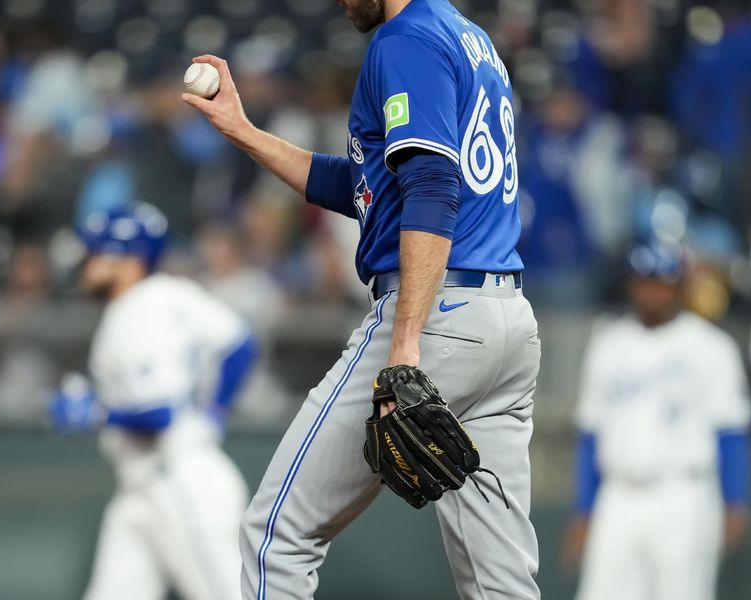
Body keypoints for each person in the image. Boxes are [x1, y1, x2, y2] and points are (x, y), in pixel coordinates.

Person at [182, 1, 541, 598]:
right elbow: (365, 189)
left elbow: (431, 184)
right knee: (500, 582)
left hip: (435, 321)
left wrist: (403, 346)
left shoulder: (405, 39)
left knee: (278, 534)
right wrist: (244, 134)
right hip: (506, 324)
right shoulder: (469, 39)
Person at [50, 202, 257, 600]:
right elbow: (240, 342)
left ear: (130, 260)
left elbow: (159, 414)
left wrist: (93, 411)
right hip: (144, 488)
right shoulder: (169, 295)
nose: (87, 263)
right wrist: (213, 413)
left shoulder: (138, 311)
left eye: (97, 253)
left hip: (176, 480)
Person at [563, 241, 751, 600]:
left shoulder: (711, 346)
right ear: (631, 285)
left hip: (683, 494)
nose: (651, 292)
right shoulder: (609, 343)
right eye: (644, 281)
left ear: (678, 287)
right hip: (618, 495)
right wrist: (583, 511)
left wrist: (734, 502)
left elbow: (730, 432)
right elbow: (590, 433)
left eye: (660, 282)